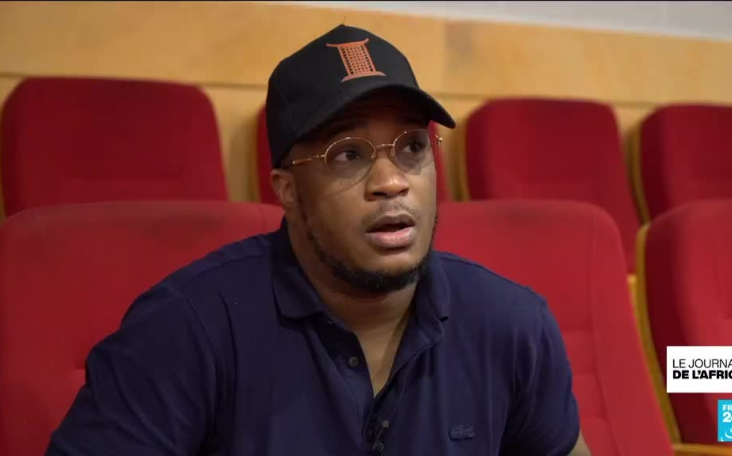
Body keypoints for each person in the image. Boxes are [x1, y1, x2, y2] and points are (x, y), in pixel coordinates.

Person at [46, 25, 589, 456]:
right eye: (348, 154)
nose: (391, 182)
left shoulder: (513, 324)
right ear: (287, 191)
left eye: (412, 147)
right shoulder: (183, 330)